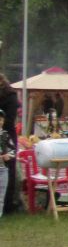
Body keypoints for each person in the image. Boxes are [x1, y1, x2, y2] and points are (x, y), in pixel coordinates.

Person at [0, 74, 18, 214]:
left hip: (6, 136)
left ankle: (7, 205)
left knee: (8, 170)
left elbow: (9, 120)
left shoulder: (10, 96)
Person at [0, 110, 13, 218]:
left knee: (1, 195)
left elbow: (12, 150)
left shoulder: (5, 135)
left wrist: (9, 155)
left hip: (3, 168)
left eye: (1, 119)